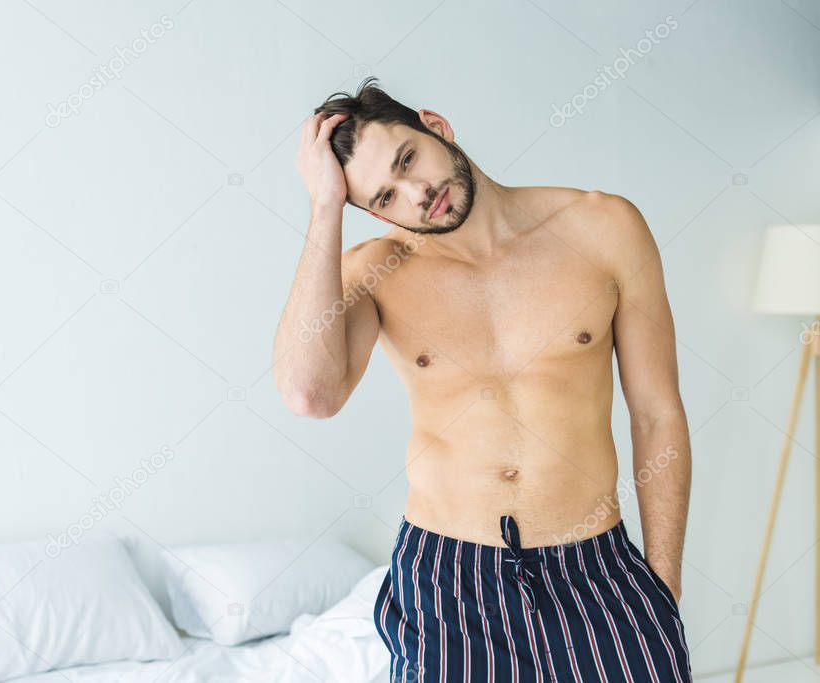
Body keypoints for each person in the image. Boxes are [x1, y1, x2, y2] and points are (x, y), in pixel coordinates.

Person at [271, 77, 693, 682]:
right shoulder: (375, 271)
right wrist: (324, 208)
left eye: (408, 159)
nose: (417, 195)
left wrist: (663, 589)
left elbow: (657, 412)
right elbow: (309, 395)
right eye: (384, 198)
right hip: (448, 581)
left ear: (436, 126)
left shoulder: (604, 227)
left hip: (595, 566)